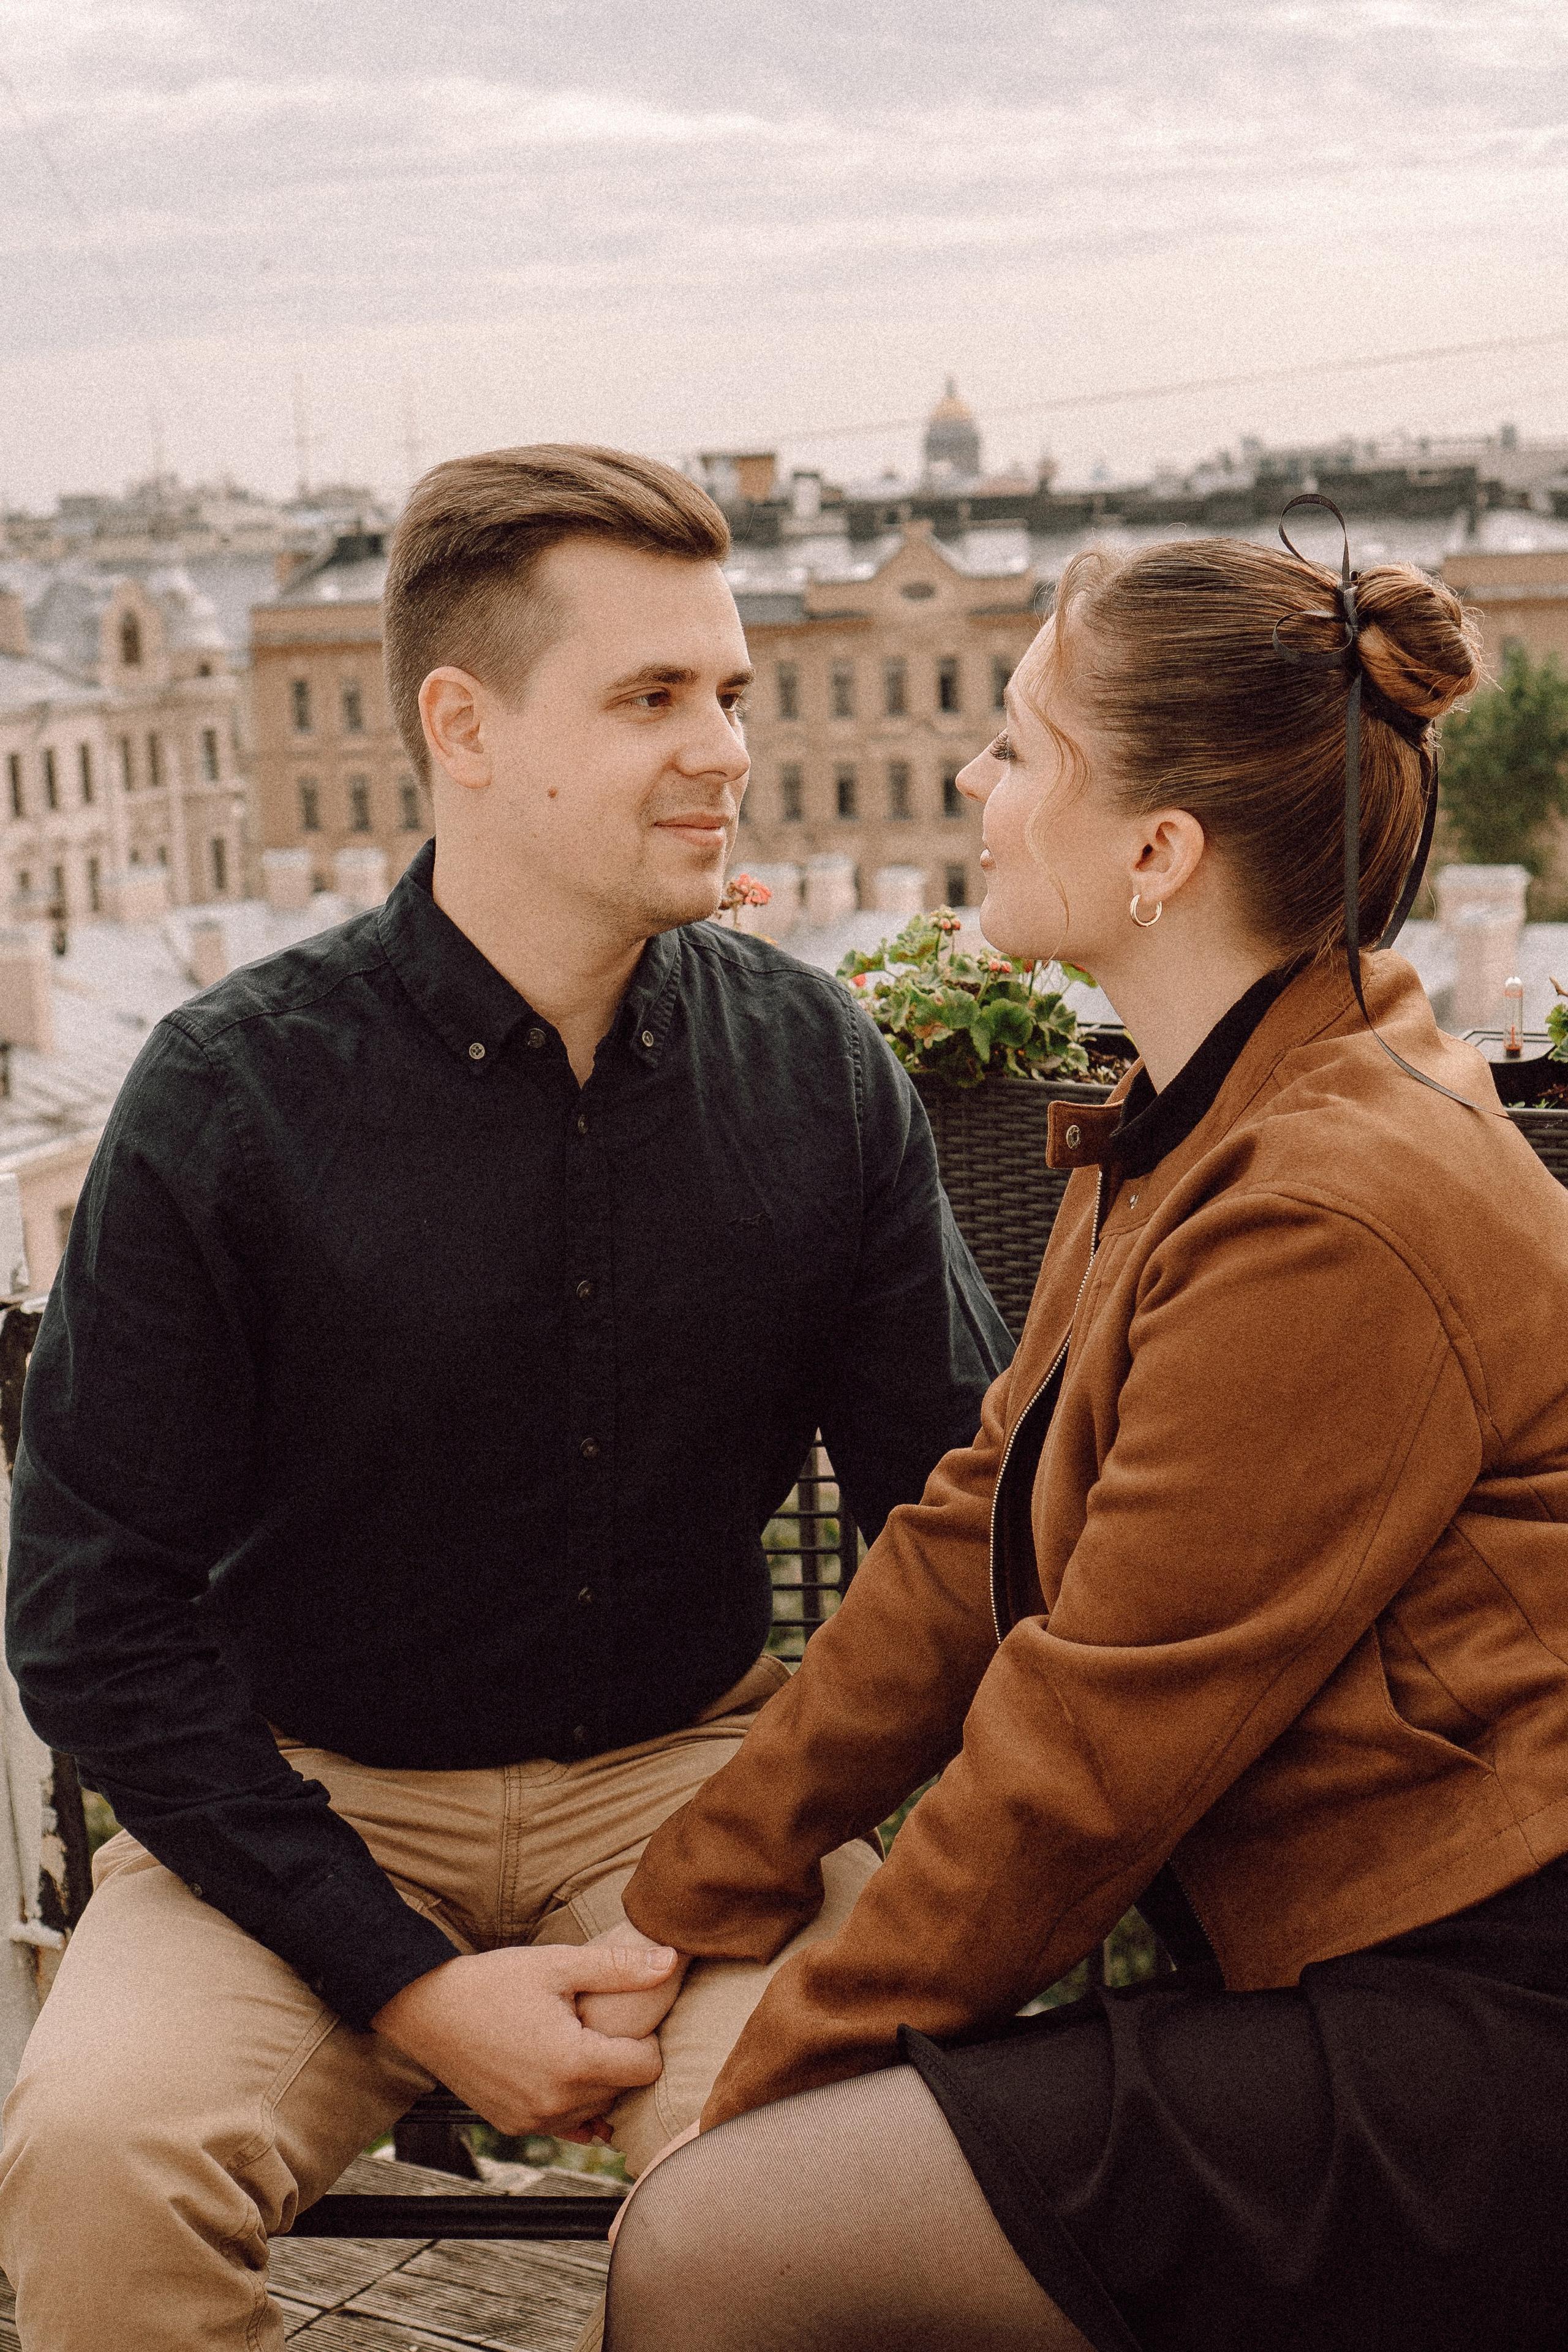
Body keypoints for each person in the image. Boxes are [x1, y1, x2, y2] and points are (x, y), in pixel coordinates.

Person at [0, 444, 1011, 2351]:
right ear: (462, 727)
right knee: (98, 2165)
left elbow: (958, 1529)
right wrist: (403, 1980)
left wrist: (754, 1845)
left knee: (823, 2187)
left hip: (694, 1787)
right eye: (652, 698)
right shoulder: (229, 1095)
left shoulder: (817, 1068)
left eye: (731, 692)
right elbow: (89, 1612)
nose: (725, 750)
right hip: (309, 1796)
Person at [603, 509, 1568, 2352]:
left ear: (1158, 851)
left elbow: (1083, 1760)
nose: (972, 781)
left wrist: (746, 2105)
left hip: (1493, 2022)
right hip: (1361, 1966)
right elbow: (968, 1538)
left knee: (713, 2248)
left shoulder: (1325, 1205)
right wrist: (683, 1903)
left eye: (1020, 746)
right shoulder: (1206, 1114)